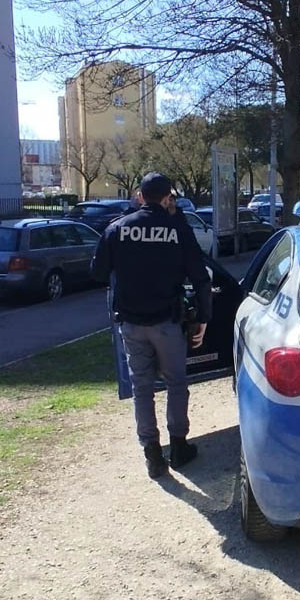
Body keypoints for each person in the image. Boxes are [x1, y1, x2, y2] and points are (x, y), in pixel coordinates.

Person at [91, 172, 212, 479]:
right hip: (167, 323)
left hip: (131, 323)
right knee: (176, 384)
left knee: (142, 388)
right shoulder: (178, 229)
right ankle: (180, 447)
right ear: (168, 197)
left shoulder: (117, 228)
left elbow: (98, 272)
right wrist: (203, 318)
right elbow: (200, 276)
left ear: (140, 196)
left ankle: (153, 455)